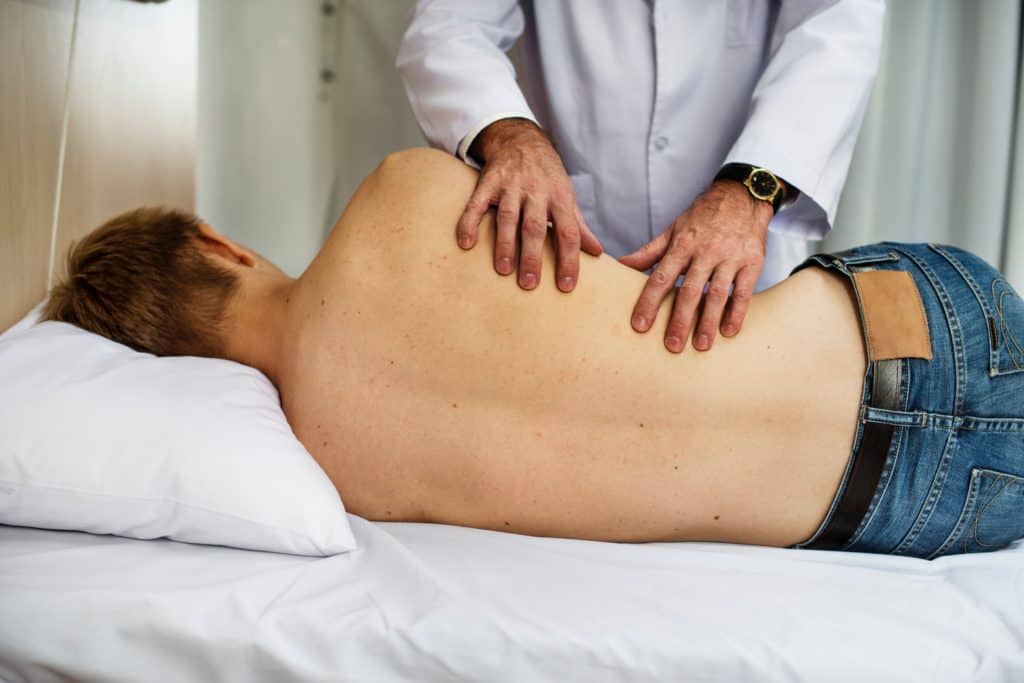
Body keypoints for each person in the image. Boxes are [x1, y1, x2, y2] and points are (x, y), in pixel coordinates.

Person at [45, 148, 1024, 559]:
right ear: (221, 244)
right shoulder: (399, 192)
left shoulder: (336, 476)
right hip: (924, 319)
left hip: (920, 504)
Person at [396, 1, 886, 352]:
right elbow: (448, 25)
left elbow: (838, 29)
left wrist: (752, 189)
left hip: (747, 254)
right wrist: (510, 135)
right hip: (571, 252)